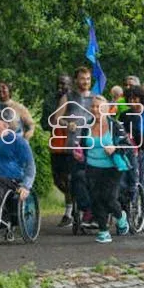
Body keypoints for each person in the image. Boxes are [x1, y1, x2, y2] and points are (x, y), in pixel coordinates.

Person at [50, 67, 95, 227]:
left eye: (88, 79)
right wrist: (67, 124)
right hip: (73, 145)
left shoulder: (96, 98)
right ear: (76, 80)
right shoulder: (68, 97)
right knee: (72, 179)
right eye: (82, 78)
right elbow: (56, 118)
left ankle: (92, 212)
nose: (85, 82)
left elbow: (105, 117)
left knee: (91, 178)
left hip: (92, 143)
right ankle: (78, 210)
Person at [82, 95, 130, 243]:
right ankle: (103, 231)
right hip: (92, 167)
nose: (96, 109)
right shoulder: (86, 126)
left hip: (112, 167)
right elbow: (83, 146)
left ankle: (121, 217)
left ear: (107, 109)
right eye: (93, 106)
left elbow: (127, 145)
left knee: (109, 198)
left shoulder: (115, 125)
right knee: (96, 199)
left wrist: (115, 148)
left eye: (99, 107)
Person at [119, 85, 144, 231]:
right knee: (127, 181)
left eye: (135, 98)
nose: (132, 102)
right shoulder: (124, 115)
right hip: (128, 151)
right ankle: (127, 211)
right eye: (130, 99)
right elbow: (120, 133)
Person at [44, 75, 74, 224]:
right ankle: (73, 203)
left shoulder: (76, 100)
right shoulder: (51, 101)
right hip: (56, 144)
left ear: (71, 85)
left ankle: (70, 212)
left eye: (64, 84)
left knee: (69, 178)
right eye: (59, 84)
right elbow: (45, 123)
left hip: (71, 144)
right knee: (58, 180)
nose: (61, 87)